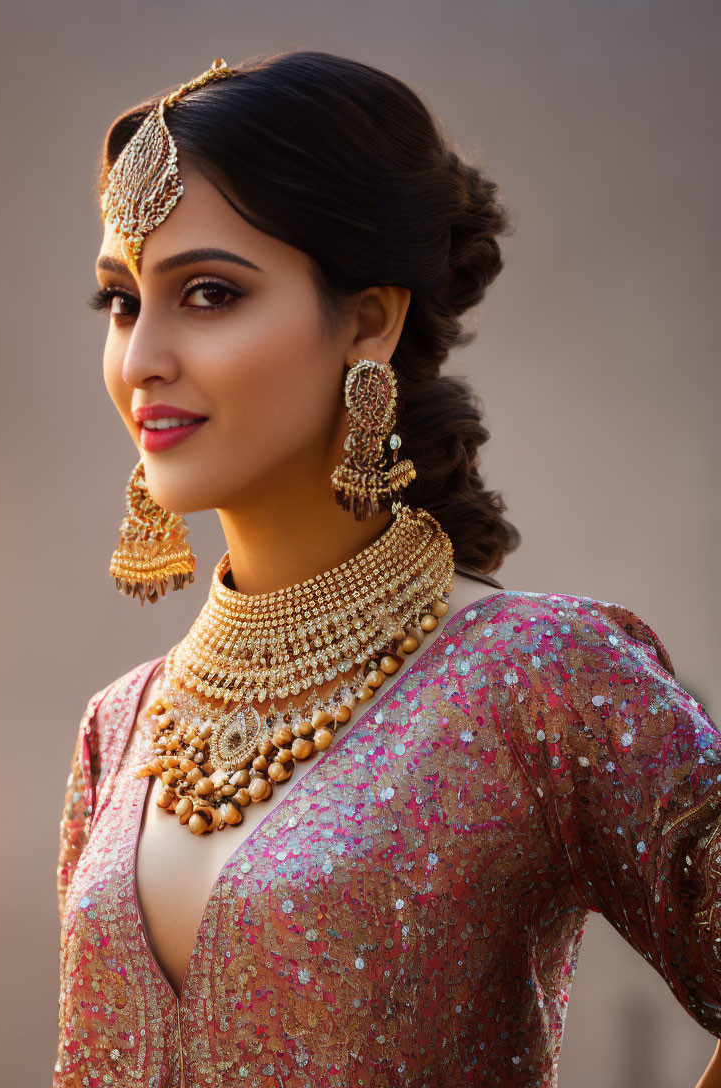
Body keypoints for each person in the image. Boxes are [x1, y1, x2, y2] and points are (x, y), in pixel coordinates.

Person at [53, 50, 721, 1088]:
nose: (140, 359)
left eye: (211, 293)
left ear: (369, 316)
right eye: (122, 301)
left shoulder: (534, 676)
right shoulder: (119, 729)